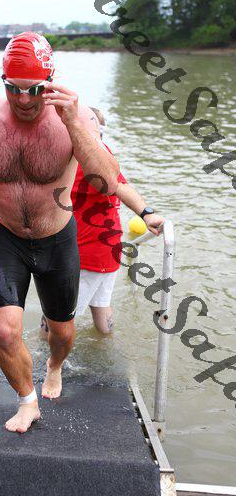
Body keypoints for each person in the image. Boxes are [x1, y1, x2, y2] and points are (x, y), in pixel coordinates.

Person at [0, 32, 119, 434]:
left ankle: (55, 365)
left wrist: (73, 123)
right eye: (13, 88)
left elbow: (107, 184)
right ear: (2, 81)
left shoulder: (76, 118)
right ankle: (27, 401)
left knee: (61, 332)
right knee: (5, 330)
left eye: (34, 89)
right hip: (6, 237)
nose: (24, 99)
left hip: (57, 239)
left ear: (50, 81)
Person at [40, 111, 165, 336]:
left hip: (84, 254)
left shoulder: (80, 159)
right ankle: (107, 346)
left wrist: (146, 214)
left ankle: (44, 354)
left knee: (55, 319)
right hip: (109, 249)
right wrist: (146, 213)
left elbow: (118, 187)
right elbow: (121, 185)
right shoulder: (103, 153)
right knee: (100, 308)